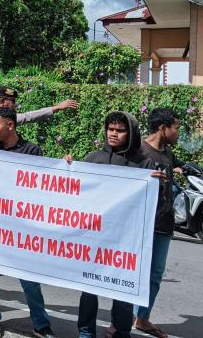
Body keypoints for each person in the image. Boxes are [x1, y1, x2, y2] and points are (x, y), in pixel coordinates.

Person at [65, 111, 161, 338]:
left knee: (124, 291)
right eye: (111, 129)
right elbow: (75, 191)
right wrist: (69, 167)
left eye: (120, 130)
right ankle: (86, 331)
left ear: (131, 133)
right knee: (88, 289)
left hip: (126, 239)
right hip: (94, 236)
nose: (114, 134)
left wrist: (158, 185)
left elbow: (154, 204)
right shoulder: (93, 158)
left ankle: (121, 331)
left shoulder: (144, 163)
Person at [0, 107, 55, 338]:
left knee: (29, 276)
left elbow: (43, 184)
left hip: (22, 226)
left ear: (10, 126)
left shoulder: (32, 151)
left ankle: (40, 323)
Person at [133, 108, 182, 338]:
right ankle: (120, 321)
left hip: (163, 222)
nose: (178, 132)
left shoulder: (168, 153)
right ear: (163, 128)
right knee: (132, 272)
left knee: (155, 274)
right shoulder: (139, 150)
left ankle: (142, 318)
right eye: (176, 127)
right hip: (141, 222)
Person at [0, 87, 77, 125]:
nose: (15, 105)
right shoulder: (2, 118)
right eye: (13, 101)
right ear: (2, 101)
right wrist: (57, 107)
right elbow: (29, 116)